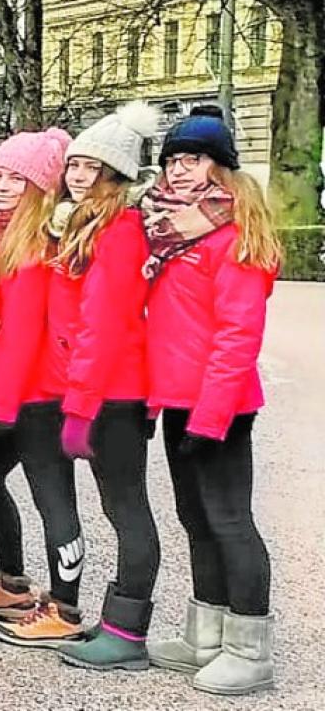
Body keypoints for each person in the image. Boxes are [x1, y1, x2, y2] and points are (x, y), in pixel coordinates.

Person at [141, 107, 280, 696]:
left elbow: (237, 337)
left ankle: (249, 649)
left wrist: (212, 415)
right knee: (194, 519)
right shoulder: (176, 232)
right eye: (173, 158)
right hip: (178, 398)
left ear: (219, 167)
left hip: (219, 404)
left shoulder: (235, 237)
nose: (177, 170)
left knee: (229, 521)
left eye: (191, 159)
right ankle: (206, 633)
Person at [46, 102, 163, 671]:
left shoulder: (116, 231)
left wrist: (81, 405)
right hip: (105, 386)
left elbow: (104, 323)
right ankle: (117, 620)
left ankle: (128, 630)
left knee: (127, 509)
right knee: (120, 507)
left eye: (91, 167)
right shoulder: (90, 223)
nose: (77, 175)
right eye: (74, 164)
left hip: (114, 389)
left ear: (115, 174)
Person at [0, 128, 90, 648]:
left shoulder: (38, 245)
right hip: (12, 388)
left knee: (53, 497)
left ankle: (64, 606)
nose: (2, 185)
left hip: (39, 393)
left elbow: (20, 333)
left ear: (41, 185)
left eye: (16, 178)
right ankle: (13, 583)